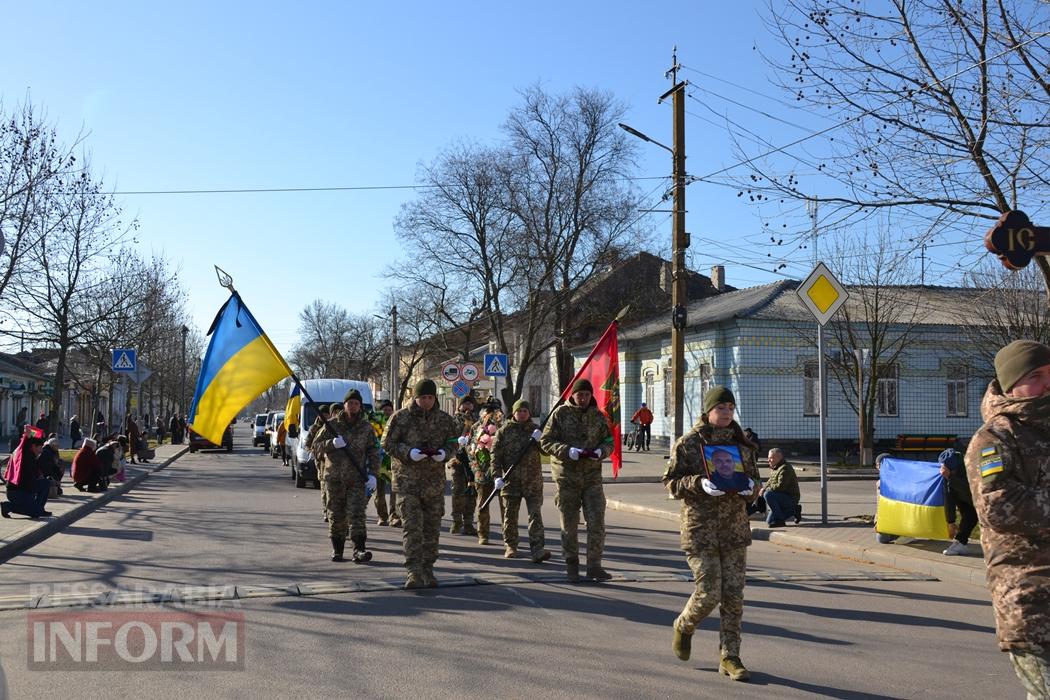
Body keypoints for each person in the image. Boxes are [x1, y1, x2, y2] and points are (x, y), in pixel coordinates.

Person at [964, 339, 1050, 698]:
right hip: (1030, 598)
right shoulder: (994, 438)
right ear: (1012, 384)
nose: (1047, 384)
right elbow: (999, 506)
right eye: (1036, 376)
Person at [663, 386, 759, 682]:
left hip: (734, 531)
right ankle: (684, 625)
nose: (727, 412)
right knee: (708, 593)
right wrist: (698, 483)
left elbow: (755, 483)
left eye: (730, 407)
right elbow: (670, 483)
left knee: (733, 598)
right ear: (708, 412)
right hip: (700, 532)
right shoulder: (689, 444)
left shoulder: (742, 445)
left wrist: (750, 490)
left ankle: (730, 656)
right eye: (721, 407)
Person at [381, 379, 457, 589]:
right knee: (412, 528)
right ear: (415, 398)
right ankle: (413, 571)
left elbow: (453, 442)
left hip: (434, 484)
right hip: (408, 484)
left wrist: (444, 453)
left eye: (430, 397)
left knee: (432, 530)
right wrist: (408, 453)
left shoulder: (444, 420)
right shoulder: (401, 418)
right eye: (422, 397)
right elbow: (387, 443)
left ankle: (428, 569)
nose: (426, 401)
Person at [540, 378, 615, 583]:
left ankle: (594, 566)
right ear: (572, 395)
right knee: (570, 524)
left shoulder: (598, 416)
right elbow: (545, 441)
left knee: (597, 522)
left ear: (591, 396)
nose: (583, 398)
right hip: (567, 477)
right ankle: (571, 564)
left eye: (587, 395)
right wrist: (567, 451)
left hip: (592, 477)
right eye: (579, 395)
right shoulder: (560, 414)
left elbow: (609, 441)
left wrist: (601, 451)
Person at [312, 389, 379, 563]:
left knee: (357, 514)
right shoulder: (332, 425)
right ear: (344, 405)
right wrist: (332, 443)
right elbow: (314, 446)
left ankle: (359, 550)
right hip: (334, 478)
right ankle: (338, 550)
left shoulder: (366, 427)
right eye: (350, 403)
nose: (353, 406)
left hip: (356, 479)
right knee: (336, 514)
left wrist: (373, 475)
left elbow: (373, 451)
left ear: (360, 406)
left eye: (357, 403)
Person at [491, 399, 550, 562]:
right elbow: (495, 455)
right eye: (519, 411)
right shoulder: (504, 431)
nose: (522, 414)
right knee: (510, 516)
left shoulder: (535, 430)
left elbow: (546, 452)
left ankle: (538, 549)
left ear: (529, 413)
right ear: (514, 413)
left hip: (533, 481)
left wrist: (540, 440)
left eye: (525, 411)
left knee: (535, 516)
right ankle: (511, 546)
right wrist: (497, 476)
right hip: (511, 481)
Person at [470, 400, 504, 546]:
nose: (490, 414)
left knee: (506, 506)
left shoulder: (504, 427)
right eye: (487, 411)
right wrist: (476, 468)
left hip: (502, 472)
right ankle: (483, 534)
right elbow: (471, 450)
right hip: (482, 471)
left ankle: (507, 535)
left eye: (495, 410)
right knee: (482, 505)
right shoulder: (476, 428)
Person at [1, 431, 51, 519]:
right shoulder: (25, 456)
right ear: (33, 446)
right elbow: (24, 445)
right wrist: (27, 435)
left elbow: (36, 474)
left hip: (26, 489)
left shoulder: (31, 456)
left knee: (45, 483)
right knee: (36, 513)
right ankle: (8, 506)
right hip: (17, 492)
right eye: (40, 448)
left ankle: (38, 509)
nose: (41, 451)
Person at [448, 396, 479, 536]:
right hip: (458, 459)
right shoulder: (453, 420)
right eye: (465, 403)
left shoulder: (479, 419)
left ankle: (468, 523)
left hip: (474, 461)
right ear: (459, 406)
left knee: (471, 492)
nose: (467, 406)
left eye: (470, 403)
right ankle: (456, 522)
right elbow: (449, 436)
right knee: (457, 491)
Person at [938, 448, 977, 556]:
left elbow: (970, 489)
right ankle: (961, 542)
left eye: (952, 471)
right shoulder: (947, 472)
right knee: (968, 514)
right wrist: (950, 522)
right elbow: (949, 498)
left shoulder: (971, 467)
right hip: (966, 498)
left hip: (979, 498)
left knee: (973, 513)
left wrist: (950, 477)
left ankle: (961, 542)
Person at [368, 400, 398, 527]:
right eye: (384, 410)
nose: (387, 412)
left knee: (394, 492)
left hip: (393, 462)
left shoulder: (398, 424)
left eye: (389, 409)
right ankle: (382, 516)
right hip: (379, 463)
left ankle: (394, 516)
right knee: (379, 493)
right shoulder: (373, 425)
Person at [306, 403, 334, 522]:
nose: (325, 417)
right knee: (324, 489)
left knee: (332, 489)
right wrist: (315, 453)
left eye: (327, 414)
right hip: (321, 463)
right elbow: (309, 444)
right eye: (323, 414)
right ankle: (326, 511)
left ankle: (333, 511)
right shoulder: (314, 428)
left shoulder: (333, 426)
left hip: (333, 461)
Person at [761, 448, 800, 528]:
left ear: (779, 457)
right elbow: (770, 482)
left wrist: (766, 491)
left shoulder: (785, 468)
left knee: (768, 494)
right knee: (770, 521)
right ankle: (794, 510)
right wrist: (763, 489)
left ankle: (780, 521)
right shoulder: (775, 467)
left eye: (771, 458)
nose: (769, 460)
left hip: (790, 498)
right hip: (780, 497)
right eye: (768, 458)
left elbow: (780, 486)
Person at [873, 452, 898, 544]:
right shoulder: (880, 483)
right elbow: (879, 506)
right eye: (878, 465)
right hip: (887, 520)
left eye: (881, 465)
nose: (879, 468)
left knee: (882, 538)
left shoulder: (898, 481)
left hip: (899, 518)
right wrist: (877, 522)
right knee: (881, 538)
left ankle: (905, 534)